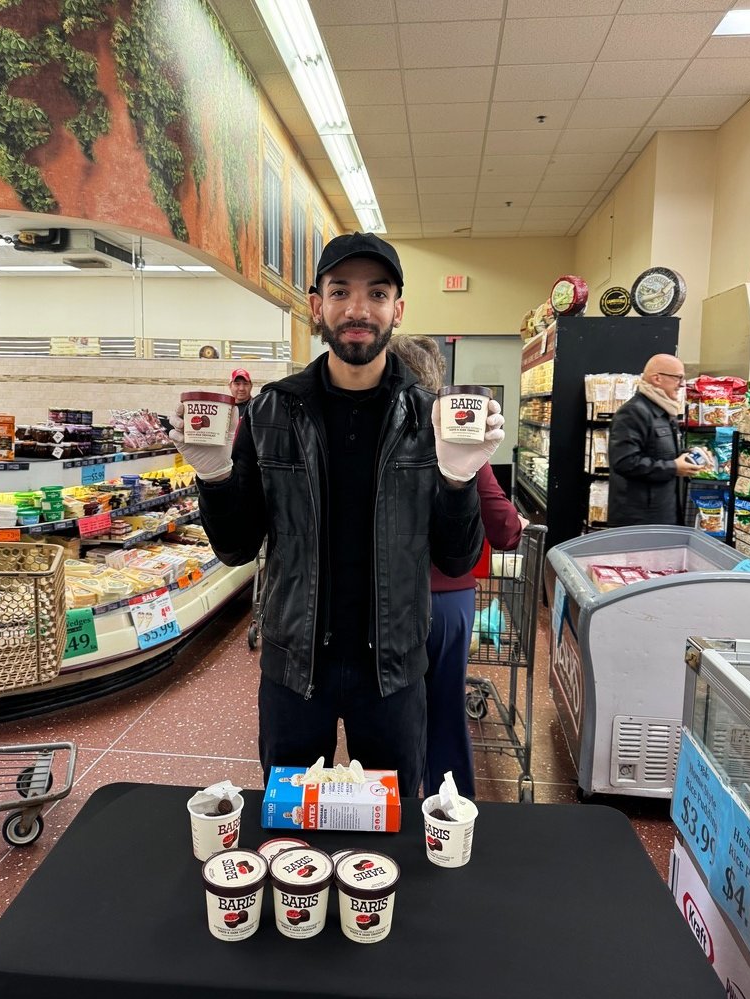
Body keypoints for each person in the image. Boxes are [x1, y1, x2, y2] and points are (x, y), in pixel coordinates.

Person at [169, 232, 505, 795]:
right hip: (294, 668)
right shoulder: (271, 410)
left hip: (394, 670)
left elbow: (456, 555)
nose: (357, 309)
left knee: (392, 827)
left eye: (376, 294)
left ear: (397, 309)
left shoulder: (432, 418)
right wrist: (215, 476)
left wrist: (458, 481)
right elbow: (236, 546)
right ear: (315, 304)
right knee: (291, 821)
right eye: (340, 291)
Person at [389, 335, 523, 799]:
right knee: (445, 709)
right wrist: (516, 521)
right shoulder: (457, 437)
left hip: (387, 597)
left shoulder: (376, 441)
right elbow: (504, 529)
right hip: (447, 601)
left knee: (390, 713)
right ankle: (452, 811)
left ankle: (393, 811)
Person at [608, 354, 701, 526]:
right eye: (678, 377)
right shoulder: (632, 413)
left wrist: (689, 456)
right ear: (657, 378)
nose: (682, 384)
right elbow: (624, 462)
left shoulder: (664, 411)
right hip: (640, 521)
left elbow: (662, 453)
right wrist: (674, 468)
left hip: (663, 514)